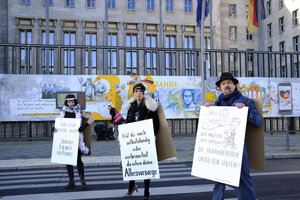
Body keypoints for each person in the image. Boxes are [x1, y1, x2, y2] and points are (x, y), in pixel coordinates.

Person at [205, 72, 262, 200]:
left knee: (242, 180)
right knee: (218, 180)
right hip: (219, 148)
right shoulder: (216, 104)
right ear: (220, 87)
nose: (226, 85)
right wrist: (207, 112)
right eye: (223, 83)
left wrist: (245, 112)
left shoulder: (245, 101)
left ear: (235, 85)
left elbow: (258, 122)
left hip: (237, 148)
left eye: (229, 83)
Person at [123, 83, 160, 200]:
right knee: (130, 164)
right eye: (136, 91)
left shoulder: (150, 107)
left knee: (146, 166)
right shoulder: (130, 107)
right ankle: (131, 188)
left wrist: (150, 135)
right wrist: (123, 138)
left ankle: (146, 191)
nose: (138, 93)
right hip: (133, 140)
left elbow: (156, 123)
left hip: (145, 140)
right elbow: (128, 123)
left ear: (143, 93)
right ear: (133, 93)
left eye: (140, 91)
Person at [59, 94, 91, 190]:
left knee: (78, 161)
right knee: (68, 161)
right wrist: (56, 127)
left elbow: (91, 118)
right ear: (66, 103)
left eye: (72, 102)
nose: (71, 104)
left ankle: (83, 182)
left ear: (75, 102)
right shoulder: (63, 112)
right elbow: (60, 122)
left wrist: (83, 127)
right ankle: (71, 181)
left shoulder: (79, 112)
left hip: (76, 139)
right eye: (69, 102)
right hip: (66, 138)